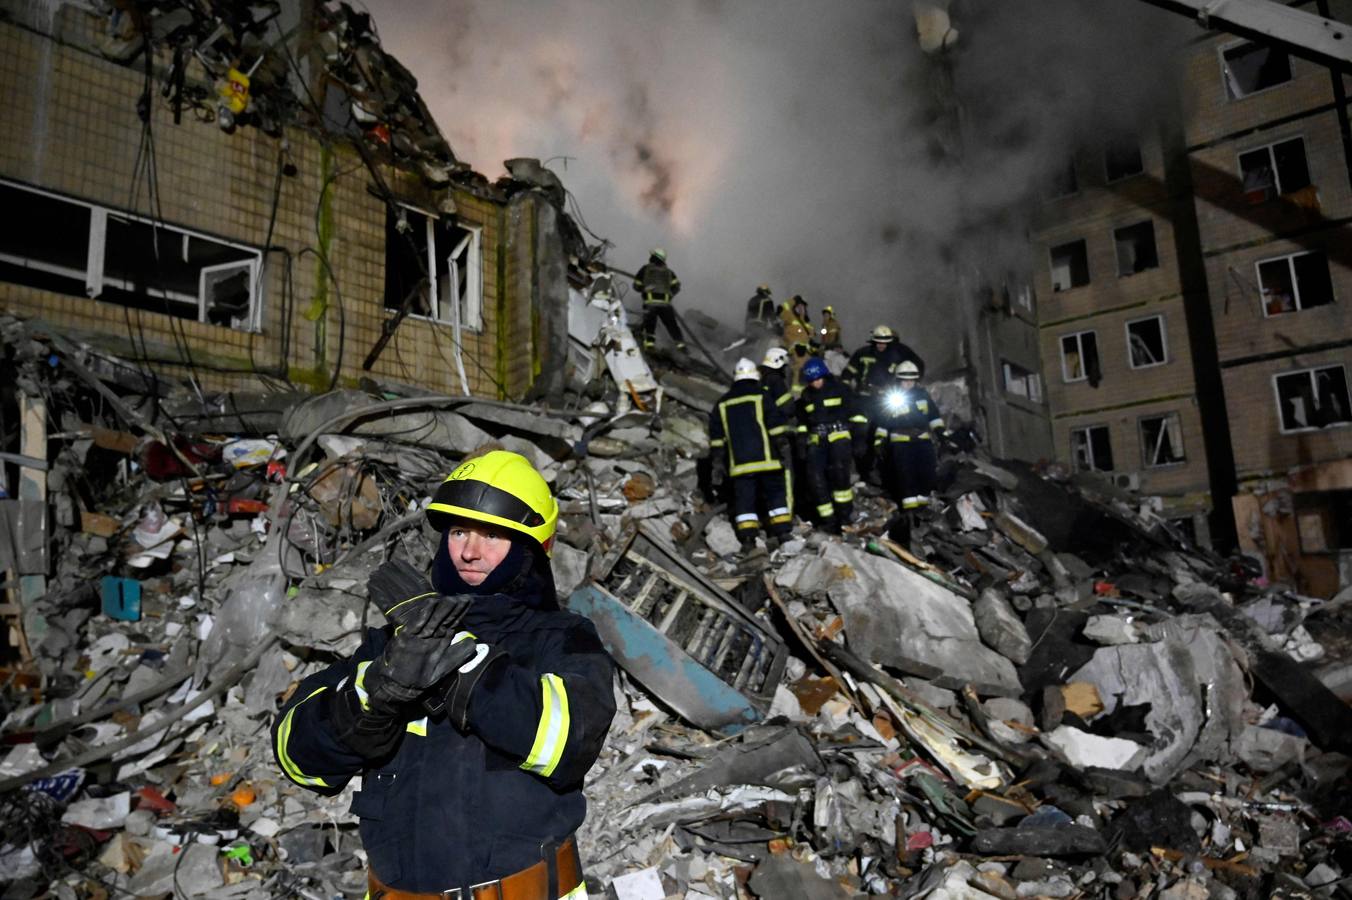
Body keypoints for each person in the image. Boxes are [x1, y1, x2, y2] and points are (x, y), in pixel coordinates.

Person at [272, 450, 616, 899]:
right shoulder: (391, 643)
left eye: (492, 535)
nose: (469, 551)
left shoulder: (562, 639)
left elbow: (569, 741)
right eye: (458, 532)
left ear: (532, 546)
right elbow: (296, 758)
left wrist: (456, 663)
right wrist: (372, 696)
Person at [708, 358, 793, 552]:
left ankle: (748, 540)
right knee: (776, 497)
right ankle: (783, 533)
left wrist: (718, 463)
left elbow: (716, 438)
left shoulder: (722, 403)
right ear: (754, 377)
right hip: (767, 461)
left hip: (740, 465)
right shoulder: (761, 396)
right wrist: (783, 448)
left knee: (744, 501)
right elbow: (775, 426)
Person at [843, 325, 925, 478]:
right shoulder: (862, 354)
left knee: (885, 433)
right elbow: (848, 373)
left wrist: (915, 383)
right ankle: (861, 470)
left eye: (885, 342)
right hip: (863, 398)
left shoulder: (897, 355)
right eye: (878, 342)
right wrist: (846, 389)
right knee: (861, 434)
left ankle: (885, 470)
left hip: (885, 399)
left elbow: (914, 367)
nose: (881, 345)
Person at [873, 360, 946, 518]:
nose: (908, 383)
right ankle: (910, 512)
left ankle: (922, 507)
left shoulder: (923, 395)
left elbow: (933, 416)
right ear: (898, 380)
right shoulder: (892, 398)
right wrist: (879, 441)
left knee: (927, 474)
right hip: (901, 441)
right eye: (905, 380)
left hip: (922, 439)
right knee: (907, 476)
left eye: (911, 380)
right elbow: (883, 422)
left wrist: (941, 434)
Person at [796, 356, 856, 533]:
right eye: (812, 380)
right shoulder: (806, 396)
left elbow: (855, 413)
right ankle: (828, 520)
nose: (815, 383)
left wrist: (859, 437)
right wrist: (801, 440)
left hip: (839, 438)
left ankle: (844, 517)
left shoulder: (840, 389)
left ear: (825, 375)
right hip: (817, 440)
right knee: (815, 480)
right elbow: (802, 421)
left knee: (839, 476)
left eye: (818, 379)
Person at [632, 248, 684, 350]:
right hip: (665, 304)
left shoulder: (645, 269)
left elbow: (636, 286)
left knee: (650, 325)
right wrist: (668, 295)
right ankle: (682, 347)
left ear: (654, 257)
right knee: (672, 326)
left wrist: (644, 289)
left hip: (650, 303)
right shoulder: (669, 272)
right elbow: (677, 287)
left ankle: (649, 347)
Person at [779, 296, 814, 395]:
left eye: (803, 306)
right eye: (798, 306)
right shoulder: (790, 317)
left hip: (806, 352)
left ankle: (806, 390)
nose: (801, 308)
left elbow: (810, 338)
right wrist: (794, 300)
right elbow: (782, 309)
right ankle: (795, 392)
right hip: (795, 350)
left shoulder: (806, 323)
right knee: (798, 367)